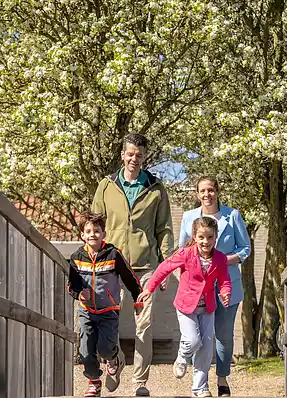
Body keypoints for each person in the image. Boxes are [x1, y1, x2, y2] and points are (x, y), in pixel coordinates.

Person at [91, 132, 175, 397]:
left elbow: (164, 229)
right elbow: (95, 224)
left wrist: (166, 268)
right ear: (122, 155)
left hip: (146, 267)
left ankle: (140, 381)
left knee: (144, 324)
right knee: (109, 321)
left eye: (139, 155)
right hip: (112, 266)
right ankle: (114, 362)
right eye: (130, 154)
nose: (134, 159)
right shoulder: (106, 186)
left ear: (144, 157)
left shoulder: (156, 188)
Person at [138, 216, 232, 398]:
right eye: (202, 237)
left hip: (208, 307)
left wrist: (225, 292)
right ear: (195, 237)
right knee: (193, 340)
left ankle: (200, 388)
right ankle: (182, 357)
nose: (206, 241)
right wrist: (150, 287)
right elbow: (164, 268)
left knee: (205, 349)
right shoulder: (186, 253)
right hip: (186, 306)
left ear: (215, 237)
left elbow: (224, 280)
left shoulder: (220, 258)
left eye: (210, 237)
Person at [178, 176, 251, 397]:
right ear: (197, 194)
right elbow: (183, 251)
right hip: (199, 289)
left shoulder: (233, 215)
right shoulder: (189, 217)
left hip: (228, 285)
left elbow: (245, 249)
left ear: (217, 191)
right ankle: (200, 384)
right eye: (202, 191)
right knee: (200, 336)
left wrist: (221, 260)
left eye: (211, 190)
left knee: (224, 335)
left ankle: (222, 377)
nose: (207, 194)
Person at [67, 212, 144, 397]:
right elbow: (71, 285)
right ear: (82, 235)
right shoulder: (77, 257)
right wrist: (79, 294)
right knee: (85, 350)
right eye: (88, 231)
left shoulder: (113, 254)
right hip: (86, 311)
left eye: (96, 231)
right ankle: (94, 382)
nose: (92, 234)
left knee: (104, 348)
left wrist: (138, 299)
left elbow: (129, 278)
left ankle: (114, 358)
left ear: (104, 234)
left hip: (109, 310)